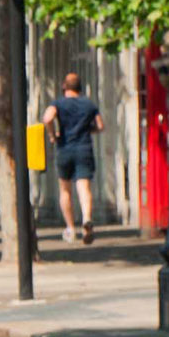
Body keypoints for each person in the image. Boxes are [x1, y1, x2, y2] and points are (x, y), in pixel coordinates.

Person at [41, 71, 102, 244]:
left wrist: (53, 136)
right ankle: (86, 219)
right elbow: (100, 125)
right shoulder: (89, 104)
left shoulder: (58, 103)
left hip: (64, 148)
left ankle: (70, 228)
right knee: (84, 188)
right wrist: (88, 130)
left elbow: (47, 118)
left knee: (65, 190)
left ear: (64, 86)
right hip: (84, 148)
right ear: (80, 87)